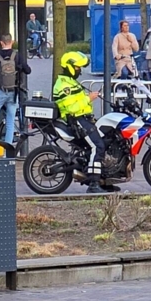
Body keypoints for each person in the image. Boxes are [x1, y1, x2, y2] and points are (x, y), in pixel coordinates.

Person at [53, 52, 116, 194]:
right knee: (97, 146)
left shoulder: (70, 82)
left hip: (83, 118)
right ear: (68, 67)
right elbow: (72, 109)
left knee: (106, 139)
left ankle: (103, 180)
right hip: (76, 120)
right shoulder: (64, 86)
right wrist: (89, 98)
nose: (79, 70)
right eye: (77, 68)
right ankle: (93, 183)